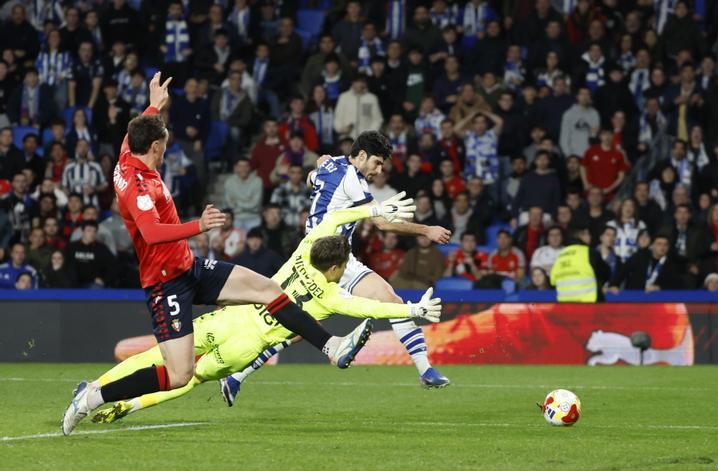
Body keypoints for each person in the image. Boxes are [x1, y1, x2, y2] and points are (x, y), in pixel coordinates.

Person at [61, 73, 379, 435]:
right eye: (163, 144)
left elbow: (142, 128)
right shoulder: (138, 185)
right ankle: (90, 398)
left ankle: (331, 346)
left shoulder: (127, 153)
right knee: (180, 374)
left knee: (268, 291)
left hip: (189, 267)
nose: (166, 149)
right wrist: (199, 226)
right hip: (166, 285)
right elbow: (150, 234)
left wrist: (154, 103)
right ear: (153, 147)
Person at [87, 201, 442, 423]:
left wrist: (374, 209)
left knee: (158, 356)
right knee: (187, 378)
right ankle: (131, 407)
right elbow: (372, 307)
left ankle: (96, 388)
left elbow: (335, 217)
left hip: (232, 316)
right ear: (336, 267)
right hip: (245, 346)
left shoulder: (304, 251)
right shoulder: (331, 297)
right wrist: (414, 309)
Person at [228, 131, 452, 395]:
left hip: (340, 259)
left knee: (391, 301)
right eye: (376, 163)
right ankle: (236, 375)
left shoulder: (331, 164)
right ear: (360, 155)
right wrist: (426, 230)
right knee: (293, 328)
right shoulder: (352, 179)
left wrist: (319, 166)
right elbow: (381, 223)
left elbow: (313, 178)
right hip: (317, 264)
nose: (379, 171)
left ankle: (425, 369)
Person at [608, 234, 682, 292]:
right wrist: (614, 285)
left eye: (665, 245)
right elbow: (622, 271)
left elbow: (676, 284)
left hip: (658, 300)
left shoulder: (671, 263)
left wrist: (660, 288)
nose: (662, 247)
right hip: (635, 297)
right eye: (659, 244)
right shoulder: (639, 257)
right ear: (652, 246)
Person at [64, 220, 116, 288]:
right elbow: (65, 265)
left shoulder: (101, 248)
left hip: (93, 284)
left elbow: (113, 265)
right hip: (73, 283)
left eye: (94, 231)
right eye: (89, 231)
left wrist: (105, 280)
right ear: (82, 232)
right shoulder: (71, 247)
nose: (92, 234)